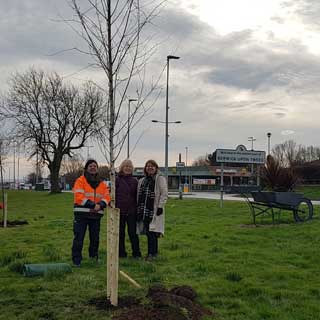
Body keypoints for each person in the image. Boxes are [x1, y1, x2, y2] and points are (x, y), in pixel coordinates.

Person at [71, 159, 111, 266]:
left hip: (95, 215)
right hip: (82, 214)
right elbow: (79, 197)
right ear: (86, 168)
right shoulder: (80, 181)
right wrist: (94, 205)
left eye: (95, 166)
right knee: (79, 238)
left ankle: (93, 257)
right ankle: (76, 260)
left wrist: (101, 205)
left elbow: (107, 197)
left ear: (97, 169)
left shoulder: (102, 183)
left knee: (95, 238)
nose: (93, 168)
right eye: (90, 166)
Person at [137, 159, 168, 259]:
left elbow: (164, 193)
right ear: (145, 168)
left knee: (153, 233)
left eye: (152, 166)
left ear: (156, 168)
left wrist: (160, 206)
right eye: (148, 166)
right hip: (144, 210)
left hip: (154, 210)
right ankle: (150, 253)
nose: (150, 168)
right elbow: (139, 195)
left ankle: (153, 253)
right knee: (148, 232)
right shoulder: (142, 180)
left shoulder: (160, 179)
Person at [116, 159, 141, 258]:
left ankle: (136, 253)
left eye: (130, 166)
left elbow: (137, 196)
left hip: (131, 211)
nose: (128, 168)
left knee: (133, 233)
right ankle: (121, 253)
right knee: (120, 234)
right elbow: (111, 194)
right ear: (122, 167)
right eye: (126, 166)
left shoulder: (135, 181)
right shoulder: (117, 180)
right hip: (119, 211)